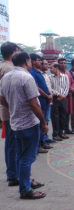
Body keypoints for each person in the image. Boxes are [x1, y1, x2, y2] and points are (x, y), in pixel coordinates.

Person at [0, 51, 47, 199]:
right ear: (27, 61)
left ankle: (25, 182)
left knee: (20, 156)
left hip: (15, 123)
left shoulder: (6, 78)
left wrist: (14, 108)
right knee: (27, 158)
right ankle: (25, 190)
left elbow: (1, 99)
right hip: (28, 124)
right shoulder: (27, 77)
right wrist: (44, 122)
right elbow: (34, 104)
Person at [0, 42, 19, 186]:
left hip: (8, 111)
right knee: (13, 143)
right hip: (12, 112)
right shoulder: (10, 69)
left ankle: (13, 172)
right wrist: (13, 108)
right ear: (13, 53)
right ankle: (13, 174)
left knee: (11, 143)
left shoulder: (3, 66)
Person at [29, 54, 52, 153]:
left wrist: (49, 95)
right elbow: (36, 87)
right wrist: (47, 96)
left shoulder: (39, 72)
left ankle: (43, 142)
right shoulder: (32, 72)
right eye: (39, 60)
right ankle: (38, 145)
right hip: (41, 101)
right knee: (40, 123)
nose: (41, 62)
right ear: (34, 61)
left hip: (45, 101)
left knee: (45, 122)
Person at [49, 62, 70, 141]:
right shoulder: (50, 77)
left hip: (63, 99)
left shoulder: (65, 77)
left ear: (56, 68)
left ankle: (62, 133)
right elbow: (50, 88)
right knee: (55, 117)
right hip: (55, 98)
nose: (50, 69)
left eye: (51, 68)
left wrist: (63, 96)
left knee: (62, 116)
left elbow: (66, 88)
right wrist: (58, 95)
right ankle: (55, 134)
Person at [58, 58, 74, 135]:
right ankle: (61, 130)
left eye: (65, 63)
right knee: (62, 113)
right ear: (58, 64)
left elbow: (73, 82)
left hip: (69, 96)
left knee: (68, 112)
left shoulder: (68, 73)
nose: (63, 64)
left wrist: (72, 88)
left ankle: (67, 128)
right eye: (61, 63)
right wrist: (68, 89)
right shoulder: (57, 73)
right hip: (62, 96)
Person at [39, 58, 54, 143]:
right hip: (43, 100)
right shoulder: (38, 74)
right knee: (43, 120)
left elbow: (49, 87)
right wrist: (47, 96)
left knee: (47, 119)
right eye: (46, 64)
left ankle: (45, 137)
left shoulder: (45, 75)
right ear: (40, 65)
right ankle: (42, 140)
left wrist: (50, 96)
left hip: (48, 99)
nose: (47, 66)